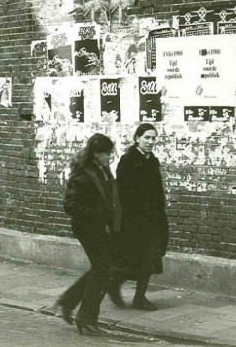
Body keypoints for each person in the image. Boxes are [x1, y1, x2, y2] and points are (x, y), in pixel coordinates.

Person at [56, 133, 124, 336]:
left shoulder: (102, 170)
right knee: (102, 268)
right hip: (87, 228)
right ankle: (86, 319)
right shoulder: (83, 175)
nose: (109, 157)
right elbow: (70, 205)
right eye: (106, 154)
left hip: (100, 227)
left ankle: (68, 302)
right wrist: (97, 214)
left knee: (101, 267)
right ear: (96, 154)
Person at [114, 123, 169, 311]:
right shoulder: (128, 161)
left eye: (153, 138)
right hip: (135, 221)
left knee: (150, 259)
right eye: (147, 137)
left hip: (153, 220)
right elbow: (124, 193)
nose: (151, 142)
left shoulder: (152, 161)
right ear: (137, 138)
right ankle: (114, 284)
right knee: (132, 261)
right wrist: (138, 214)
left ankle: (139, 298)